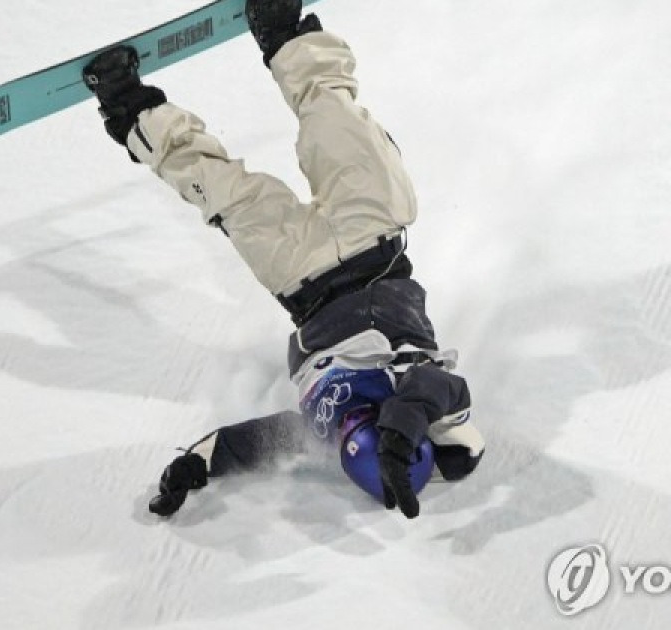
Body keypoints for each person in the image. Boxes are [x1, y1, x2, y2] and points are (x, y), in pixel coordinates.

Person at [81, 0, 484, 519]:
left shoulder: (319, 432)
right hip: (374, 234)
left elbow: (250, 445)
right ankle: (282, 32)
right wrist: (402, 429)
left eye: (349, 433)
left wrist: (193, 468)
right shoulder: (434, 412)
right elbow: (440, 392)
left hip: (301, 278)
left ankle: (128, 106)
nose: (352, 421)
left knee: (222, 191)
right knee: (334, 120)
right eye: (366, 425)